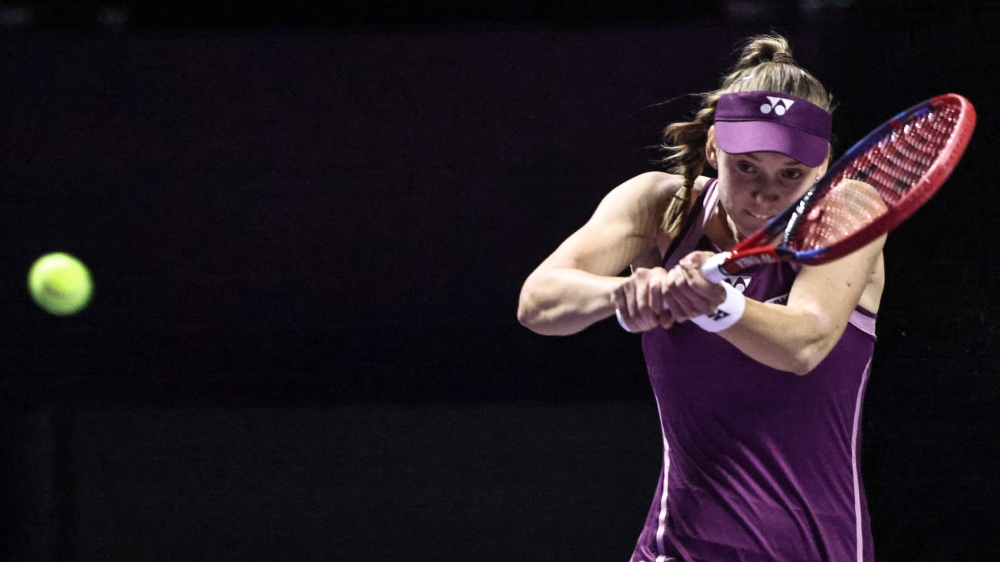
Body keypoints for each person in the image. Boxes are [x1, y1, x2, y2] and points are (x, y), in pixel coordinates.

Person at [517, 34, 883, 562]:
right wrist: (626, 291)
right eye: (747, 167)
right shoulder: (660, 207)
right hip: (677, 547)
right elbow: (538, 302)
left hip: (814, 548)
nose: (766, 194)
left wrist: (716, 304)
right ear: (714, 149)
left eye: (791, 175)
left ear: (823, 164)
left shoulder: (850, 209)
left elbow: (804, 342)